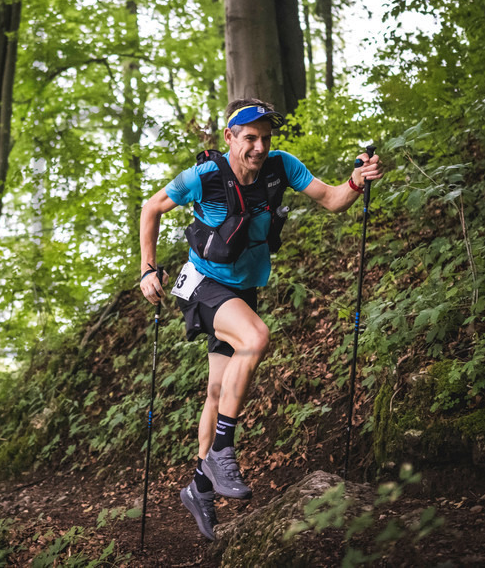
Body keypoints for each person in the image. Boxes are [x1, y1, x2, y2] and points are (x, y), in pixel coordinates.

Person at [137, 98, 383, 540]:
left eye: (265, 138)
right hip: (202, 283)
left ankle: (198, 489)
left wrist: (356, 180)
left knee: (217, 390)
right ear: (229, 137)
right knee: (256, 336)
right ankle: (222, 451)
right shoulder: (204, 177)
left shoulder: (280, 167)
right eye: (250, 137)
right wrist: (147, 268)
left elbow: (332, 199)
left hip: (242, 288)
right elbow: (151, 208)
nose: (259, 146)